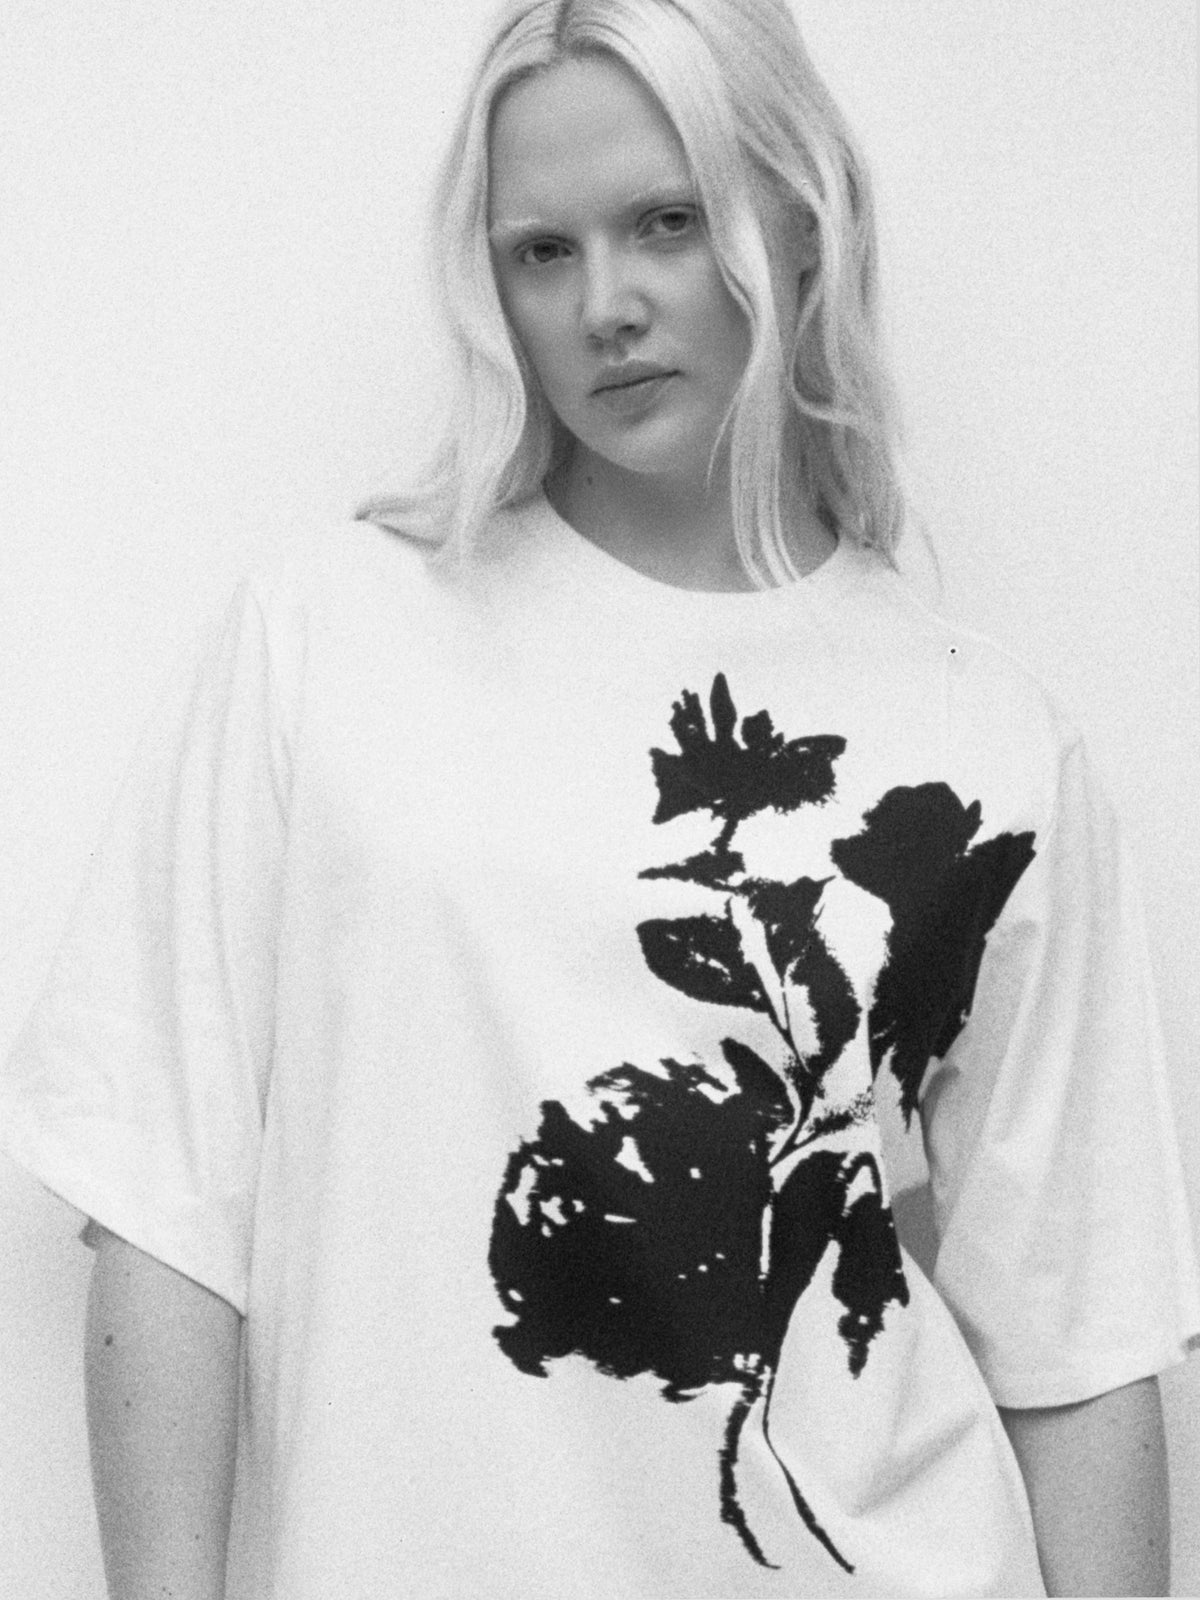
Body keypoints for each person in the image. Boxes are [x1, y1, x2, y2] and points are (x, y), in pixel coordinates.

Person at [2, 0, 1197, 1595]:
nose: (606, 305)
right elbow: (162, 1212)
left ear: (799, 216)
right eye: (542, 252)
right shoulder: (328, 641)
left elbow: (1078, 1341)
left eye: (667, 222)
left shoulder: (988, 738)